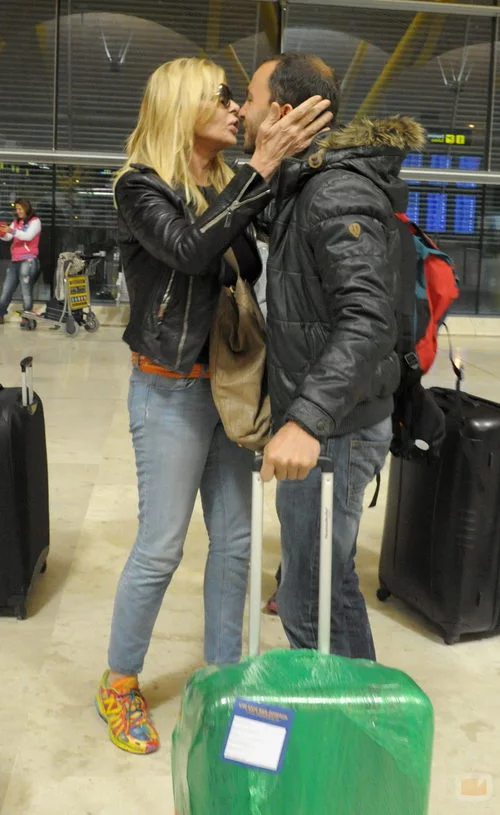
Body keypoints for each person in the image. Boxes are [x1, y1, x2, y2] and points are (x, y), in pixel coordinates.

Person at [95, 57, 332, 756]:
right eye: (220, 97)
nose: (235, 108)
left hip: (230, 385)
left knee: (234, 541)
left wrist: (271, 167)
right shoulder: (139, 185)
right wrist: (260, 168)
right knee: (161, 546)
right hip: (168, 387)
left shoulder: (224, 179)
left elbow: (244, 265)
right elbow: (192, 252)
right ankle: (119, 682)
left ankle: (225, 677)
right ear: (182, 107)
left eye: (236, 96)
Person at [240, 53, 425, 659]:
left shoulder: (335, 190)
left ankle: (355, 711)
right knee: (321, 581)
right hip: (333, 422)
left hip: (335, 431)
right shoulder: (306, 185)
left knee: (310, 595)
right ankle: (344, 705)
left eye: (251, 99)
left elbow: (367, 318)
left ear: (281, 112)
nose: (241, 110)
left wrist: (305, 420)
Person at [0, 199, 42, 327]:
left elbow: (28, 236)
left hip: (28, 260)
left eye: (20, 209)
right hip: (15, 260)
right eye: (16, 209)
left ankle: (27, 318)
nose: (17, 211)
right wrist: (2, 233)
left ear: (26, 208)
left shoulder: (35, 221)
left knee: (26, 291)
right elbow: (8, 237)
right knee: (7, 289)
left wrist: (11, 231)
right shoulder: (16, 222)